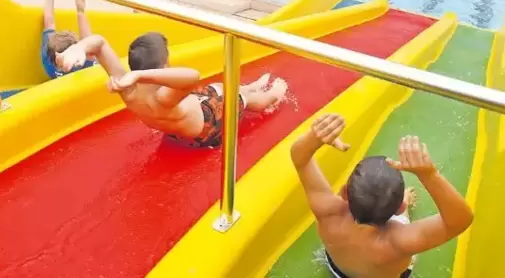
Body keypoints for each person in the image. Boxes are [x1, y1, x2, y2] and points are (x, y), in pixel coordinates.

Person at [291, 114, 474, 278]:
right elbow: (460, 220)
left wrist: (314, 138)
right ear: (400, 208)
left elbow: (300, 158)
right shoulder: (398, 242)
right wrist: (429, 175)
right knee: (404, 231)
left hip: (337, 269)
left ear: (345, 192)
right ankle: (406, 203)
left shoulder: (327, 211)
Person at [56, 32, 287, 148]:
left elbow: (98, 43)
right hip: (208, 127)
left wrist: (77, 48)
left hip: (182, 127)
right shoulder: (163, 96)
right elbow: (193, 76)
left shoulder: (127, 87)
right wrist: (140, 75)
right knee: (242, 100)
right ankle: (271, 94)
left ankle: (251, 87)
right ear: (164, 66)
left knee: (217, 89)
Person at [41, 0, 95, 79]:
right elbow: (88, 41)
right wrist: (80, 10)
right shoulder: (82, 67)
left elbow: (49, 21)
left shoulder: (48, 59)